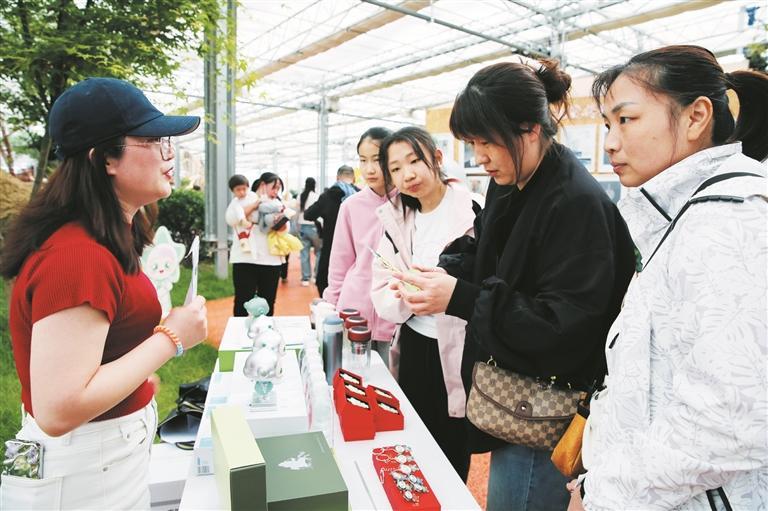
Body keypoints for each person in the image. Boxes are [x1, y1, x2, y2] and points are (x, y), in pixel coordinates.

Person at [391, 61, 636, 510]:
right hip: (510, 392)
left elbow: (564, 325)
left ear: (528, 129)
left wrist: (460, 297)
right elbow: (486, 248)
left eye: (486, 142)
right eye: (472, 143)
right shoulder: (511, 181)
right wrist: (444, 271)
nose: (479, 156)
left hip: (543, 407)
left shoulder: (575, 203)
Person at [566, 45, 768, 511]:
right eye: (607, 125)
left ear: (696, 117)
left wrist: (606, 490)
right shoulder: (686, 216)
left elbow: (730, 419)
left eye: (627, 120)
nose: (611, 143)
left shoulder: (730, 224)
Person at [0, 77, 208, 509]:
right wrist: (171, 339)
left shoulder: (104, 240)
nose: (169, 152)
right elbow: (59, 409)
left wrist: (133, 369)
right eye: (153, 139)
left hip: (99, 464)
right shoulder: (77, 256)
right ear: (105, 159)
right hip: (84, 477)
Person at [370, 126, 480, 480]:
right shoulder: (396, 219)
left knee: (451, 449)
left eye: (415, 160)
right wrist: (406, 299)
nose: (408, 175)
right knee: (413, 442)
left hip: (461, 349)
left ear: (437, 157)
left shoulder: (472, 212)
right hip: (416, 344)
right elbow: (382, 284)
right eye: (397, 168)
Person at [323, 127, 398, 367]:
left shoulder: (408, 203)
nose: (369, 169)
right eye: (363, 160)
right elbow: (340, 261)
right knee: (355, 382)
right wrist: (331, 305)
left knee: (393, 388)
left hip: (395, 317)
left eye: (377, 159)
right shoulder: (351, 206)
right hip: (354, 313)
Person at [225, 171, 285, 316]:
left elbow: (285, 229)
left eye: (279, 189)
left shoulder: (277, 203)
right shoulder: (244, 199)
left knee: (268, 302)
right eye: (274, 187)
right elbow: (231, 219)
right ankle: (239, 336)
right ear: (263, 185)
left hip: (271, 260)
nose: (276, 191)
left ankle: (267, 334)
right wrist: (256, 205)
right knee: (242, 301)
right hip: (244, 259)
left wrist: (279, 220)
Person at [304, 165, 358, 296]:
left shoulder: (327, 196)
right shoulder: (360, 195)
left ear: (337, 177)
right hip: (357, 251)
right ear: (354, 179)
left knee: (325, 281)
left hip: (331, 248)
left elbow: (308, 214)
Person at [297, 177, 322, 286]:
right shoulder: (317, 197)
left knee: (304, 253)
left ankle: (305, 278)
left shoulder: (301, 196)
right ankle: (316, 276)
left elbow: (297, 212)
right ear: (314, 185)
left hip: (303, 227)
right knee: (319, 252)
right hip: (314, 227)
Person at [227, 174, 259, 254]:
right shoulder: (235, 202)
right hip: (242, 223)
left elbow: (257, 203)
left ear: (248, 187)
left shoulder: (252, 196)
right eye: (238, 190)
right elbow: (230, 216)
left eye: (244, 189)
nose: (242, 192)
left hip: (252, 223)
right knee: (241, 233)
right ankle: (244, 245)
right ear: (233, 191)